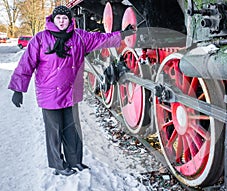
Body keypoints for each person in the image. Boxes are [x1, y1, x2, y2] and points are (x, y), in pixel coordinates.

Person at [8, 5, 135, 176]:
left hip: (70, 92)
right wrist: (18, 89)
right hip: (49, 93)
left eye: (65, 18)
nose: (61, 21)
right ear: (53, 19)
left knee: (72, 129)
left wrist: (122, 35)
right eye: (58, 18)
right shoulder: (40, 39)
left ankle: (75, 161)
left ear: (70, 20)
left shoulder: (79, 37)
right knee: (54, 131)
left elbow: (101, 39)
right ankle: (58, 165)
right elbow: (26, 64)